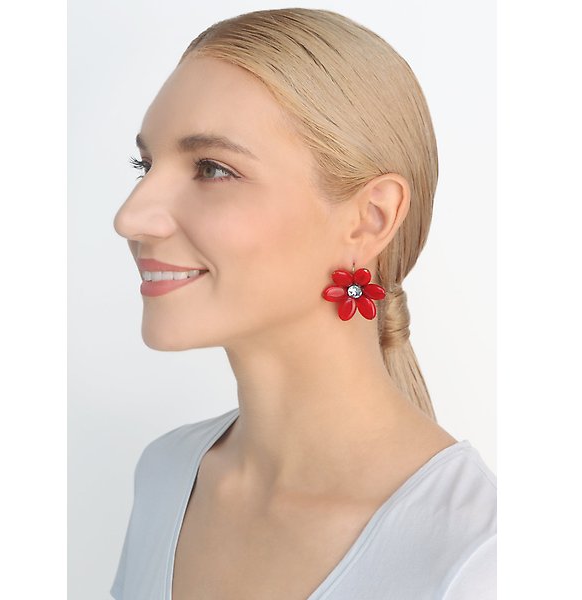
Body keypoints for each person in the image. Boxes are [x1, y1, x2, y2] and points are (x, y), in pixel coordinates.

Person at [110, 8, 496, 600]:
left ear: (371, 219)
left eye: (212, 168)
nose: (130, 217)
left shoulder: (478, 557)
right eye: (146, 165)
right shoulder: (166, 476)